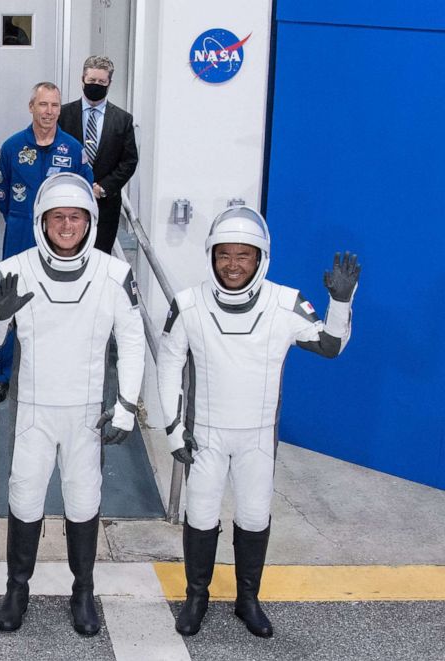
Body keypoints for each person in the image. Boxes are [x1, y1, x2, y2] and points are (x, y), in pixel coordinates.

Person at [157, 206, 360, 639]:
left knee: (253, 516)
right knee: (202, 515)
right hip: (205, 436)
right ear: (211, 256)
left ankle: (248, 599)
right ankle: (197, 597)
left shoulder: (285, 303)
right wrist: (173, 428)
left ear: (260, 258)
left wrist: (340, 302)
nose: (233, 265)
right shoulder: (188, 304)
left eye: (243, 255)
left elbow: (330, 345)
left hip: (257, 439)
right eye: (224, 255)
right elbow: (169, 363)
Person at [0, 173, 144, 636]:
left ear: (89, 221)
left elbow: (132, 341)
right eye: (58, 217)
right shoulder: (14, 269)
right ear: (41, 221)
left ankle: (83, 590)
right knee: (24, 496)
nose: (67, 226)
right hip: (34, 410)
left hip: (87, 412)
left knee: (84, 499)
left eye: (75, 217)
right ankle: (17, 587)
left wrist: (127, 404)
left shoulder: (114, 273)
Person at [0, 82, 93, 403]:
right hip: (19, 231)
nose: (49, 112)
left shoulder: (74, 150)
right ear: (31, 106)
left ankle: (50, 373)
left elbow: (86, 193)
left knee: (56, 304)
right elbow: (1, 190)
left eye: (55, 106)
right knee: (5, 302)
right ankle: (1, 374)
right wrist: (20, 218)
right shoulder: (11, 147)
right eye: (43, 105)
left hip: (59, 238)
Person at [59, 55, 138, 254]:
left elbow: (129, 161)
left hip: (105, 204)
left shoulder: (123, 120)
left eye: (102, 82)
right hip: (68, 201)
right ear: (82, 80)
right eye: (92, 80)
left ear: (109, 83)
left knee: (100, 258)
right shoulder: (63, 115)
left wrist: (103, 188)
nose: (96, 85)